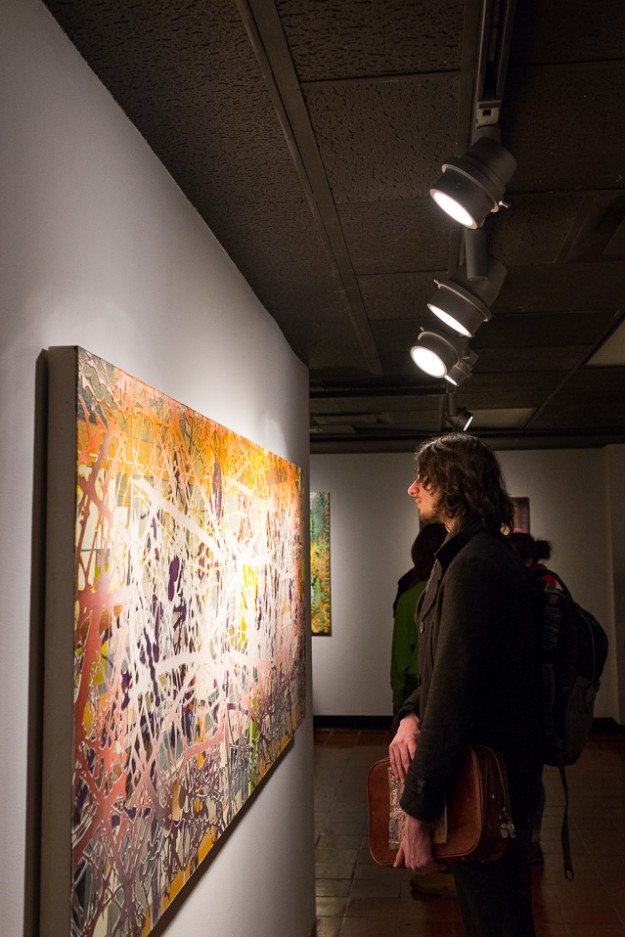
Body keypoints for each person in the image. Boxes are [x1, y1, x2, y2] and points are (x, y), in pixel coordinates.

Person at [389, 433, 543, 937]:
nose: (413, 489)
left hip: (489, 785)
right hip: (481, 778)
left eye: (424, 478)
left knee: (497, 920)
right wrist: (410, 714)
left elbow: (455, 695)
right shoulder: (461, 560)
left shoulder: (475, 565)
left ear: (453, 484)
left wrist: (417, 809)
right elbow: (440, 671)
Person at [508, 531, 559, 865]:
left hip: (527, 691)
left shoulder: (528, 585)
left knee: (521, 775)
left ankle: (520, 841)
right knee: (532, 772)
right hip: (547, 691)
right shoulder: (551, 583)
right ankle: (532, 842)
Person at [390, 524, 447, 718]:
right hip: (449, 682)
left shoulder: (408, 599)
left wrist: (398, 698)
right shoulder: (456, 594)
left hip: (416, 685)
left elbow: (400, 656)